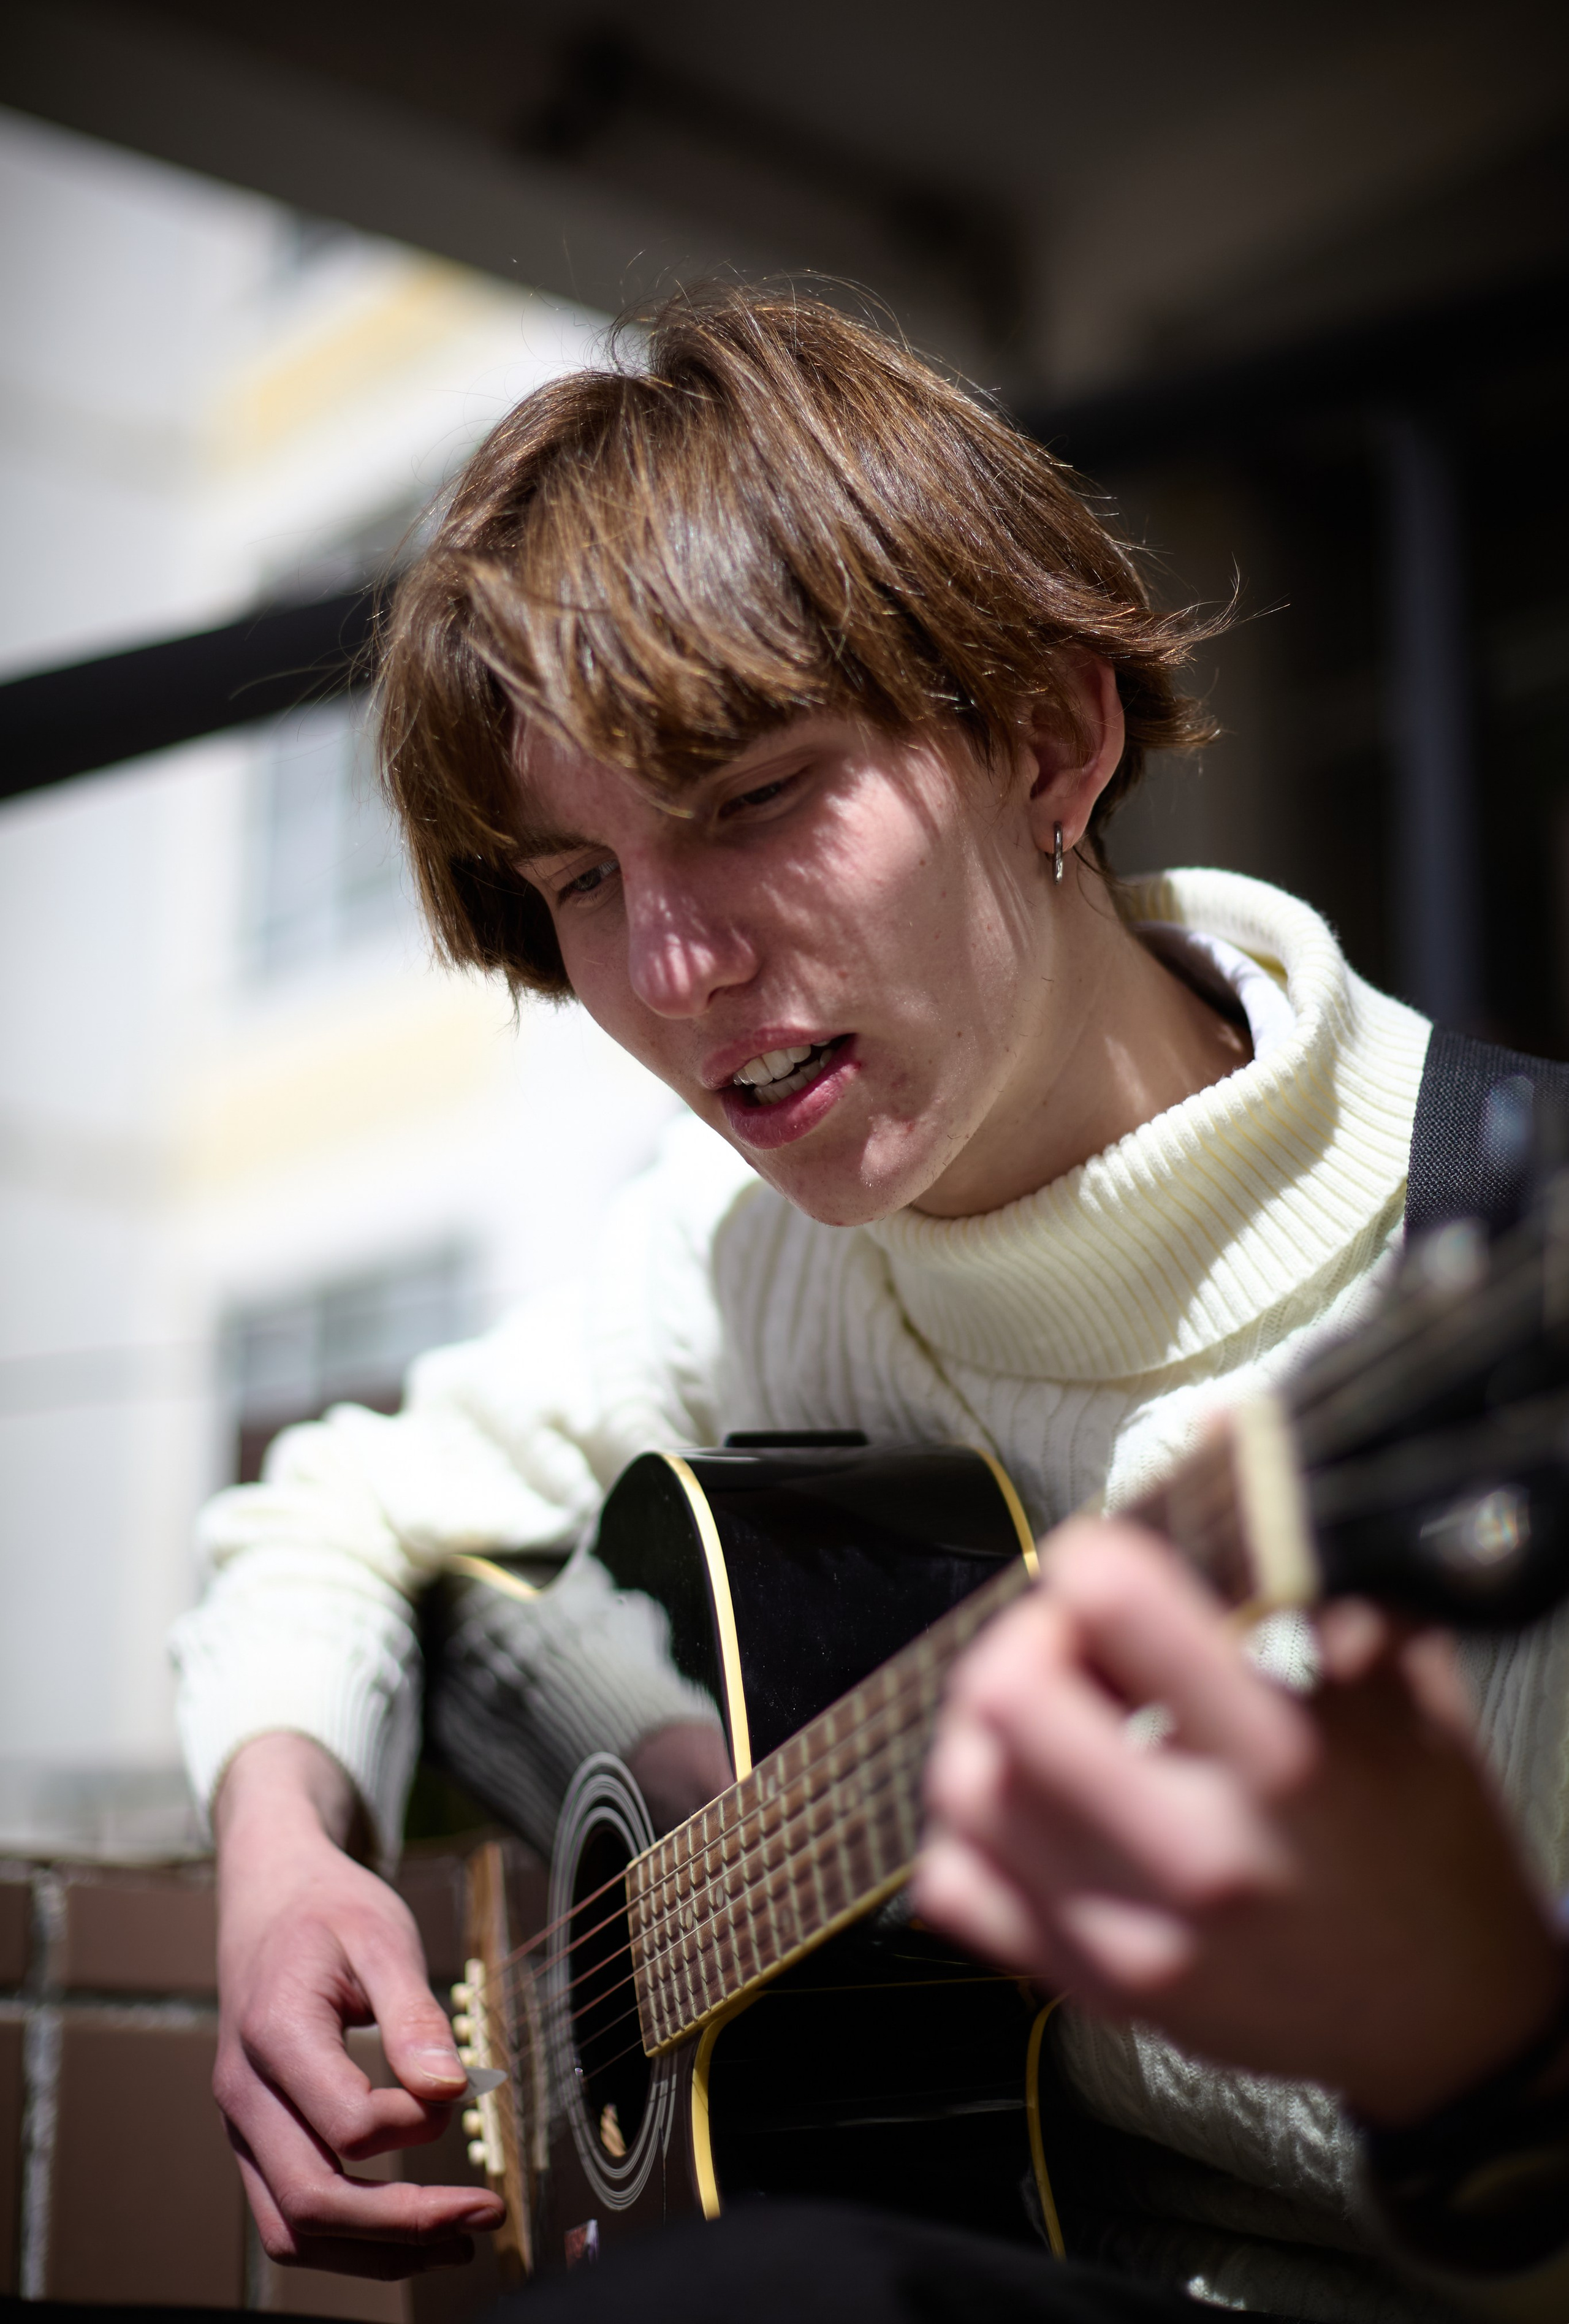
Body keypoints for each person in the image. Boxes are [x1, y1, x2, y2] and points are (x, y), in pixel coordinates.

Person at [171, 288, 1569, 2320]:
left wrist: (1484, 2054)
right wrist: (283, 1848)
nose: (671, 973)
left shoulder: (1479, 1297)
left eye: (751, 798)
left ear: (1049, 742)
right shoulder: (740, 1252)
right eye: (578, 878)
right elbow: (337, 1507)